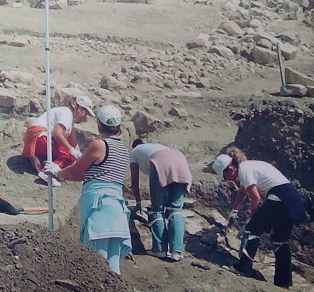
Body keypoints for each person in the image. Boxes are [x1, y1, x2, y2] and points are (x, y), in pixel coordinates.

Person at [44, 104, 131, 275]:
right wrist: (62, 174)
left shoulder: (99, 145)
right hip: (117, 211)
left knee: (96, 263)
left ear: (99, 125)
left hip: (100, 208)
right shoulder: (123, 149)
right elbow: (91, 175)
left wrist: (58, 172)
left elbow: (77, 169)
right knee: (113, 267)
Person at [212, 146, 305, 288]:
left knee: (251, 231)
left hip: (278, 197)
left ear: (230, 169)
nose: (227, 180)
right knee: (280, 241)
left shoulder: (244, 170)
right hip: (291, 200)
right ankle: (283, 283)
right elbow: (242, 192)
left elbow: (255, 198)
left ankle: (244, 268)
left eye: (225, 177)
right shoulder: (248, 167)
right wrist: (235, 210)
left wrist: (252, 220)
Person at [129, 139, 192, 261]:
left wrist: (138, 203)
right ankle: (176, 251)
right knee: (175, 209)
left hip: (159, 161)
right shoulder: (157, 146)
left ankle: (160, 250)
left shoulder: (134, 152)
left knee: (157, 209)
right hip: (180, 159)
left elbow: (134, 181)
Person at [20, 95, 94, 187]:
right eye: (86, 114)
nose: (85, 118)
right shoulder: (67, 114)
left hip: (35, 137)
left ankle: (38, 158)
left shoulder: (69, 121)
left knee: (68, 154)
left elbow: (73, 142)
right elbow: (57, 133)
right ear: (79, 108)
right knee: (68, 155)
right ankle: (47, 173)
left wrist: (80, 159)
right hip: (40, 136)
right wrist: (72, 152)